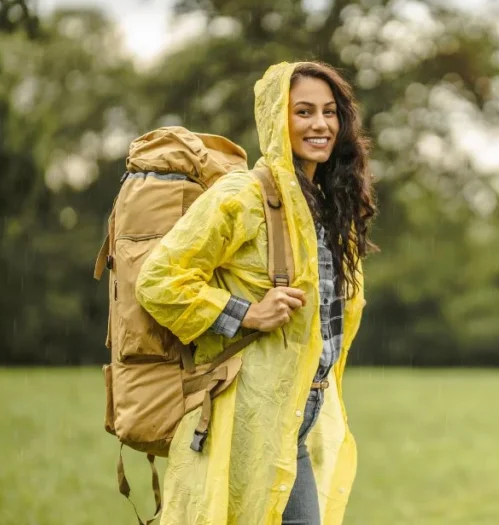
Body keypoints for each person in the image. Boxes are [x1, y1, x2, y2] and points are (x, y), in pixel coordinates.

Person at [134, 61, 376, 525]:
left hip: (299, 414)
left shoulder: (326, 203)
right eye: (303, 111)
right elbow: (159, 280)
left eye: (329, 112)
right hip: (247, 413)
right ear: (275, 117)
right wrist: (246, 313)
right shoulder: (242, 196)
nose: (321, 124)